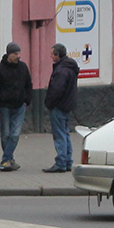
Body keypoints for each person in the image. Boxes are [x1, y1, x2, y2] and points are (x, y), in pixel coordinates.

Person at [0, 42, 32, 171]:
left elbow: (28, 84)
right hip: (4, 106)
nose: (18, 56)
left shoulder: (23, 67)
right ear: (9, 54)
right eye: (15, 54)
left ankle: (5, 160)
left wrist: (27, 100)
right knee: (5, 134)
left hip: (20, 105)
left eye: (19, 53)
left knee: (15, 134)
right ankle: (9, 159)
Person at [44, 42, 80, 173]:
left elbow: (56, 90)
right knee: (65, 134)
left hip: (58, 106)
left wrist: (49, 102)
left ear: (57, 55)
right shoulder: (70, 67)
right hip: (67, 105)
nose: (51, 56)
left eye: (52, 54)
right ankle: (68, 161)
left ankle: (61, 162)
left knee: (59, 135)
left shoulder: (61, 70)